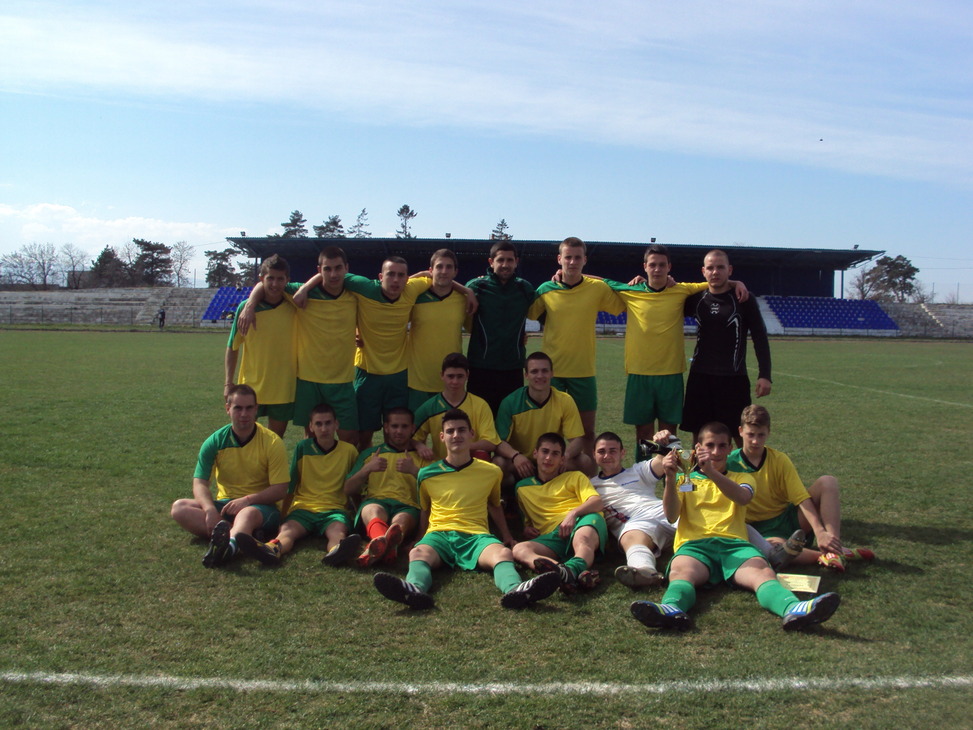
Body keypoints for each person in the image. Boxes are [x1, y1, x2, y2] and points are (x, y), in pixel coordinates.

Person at [629, 421, 841, 631]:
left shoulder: (742, 477)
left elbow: (742, 497)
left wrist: (711, 472)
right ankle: (671, 608)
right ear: (698, 448)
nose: (716, 452)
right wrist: (670, 477)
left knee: (763, 573)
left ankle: (794, 608)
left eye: (722, 446)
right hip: (694, 546)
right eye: (710, 445)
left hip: (735, 546)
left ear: (731, 449)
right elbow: (671, 515)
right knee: (680, 573)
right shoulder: (685, 478)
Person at [373, 409, 561, 610]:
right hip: (439, 535)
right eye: (450, 431)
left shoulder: (491, 471)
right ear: (442, 437)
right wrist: (419, 538)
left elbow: (494, 504)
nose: (456, 435)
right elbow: (425, 509)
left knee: (503, 554)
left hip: (476, 536)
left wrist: (506, 535)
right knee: (418, 553)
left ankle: (517, 590)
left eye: (461, 430)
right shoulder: (426, 474)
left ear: (471, 434)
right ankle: (414, 590)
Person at [601, 244, 746, 442]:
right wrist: (565, 274)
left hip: (670, 374)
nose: (657, 269)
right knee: (643, 433)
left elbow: (713, 282)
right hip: (639, 373)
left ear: (669, 267)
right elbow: (598, 281)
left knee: (669, 433)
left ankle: (667, 464)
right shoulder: (630, 290)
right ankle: (645, 463)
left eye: (662, 265)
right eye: (653, 265)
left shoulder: (681, 290)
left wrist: (736, 282)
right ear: (645, 266)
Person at [728, 405, 875, 572]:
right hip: (760, 530)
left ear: (768, 432)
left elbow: (801, 497)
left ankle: (833, 544)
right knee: (778, 551)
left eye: (761, 435)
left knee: (828, 482)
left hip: (788, 518)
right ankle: (829, 555)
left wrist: (820, 531)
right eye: (751, 434)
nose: (755, 441)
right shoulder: (729, 463)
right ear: (740, 431)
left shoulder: (779, 459)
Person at [237, 246, 359, 444]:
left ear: (347, 268)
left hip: (342, 378)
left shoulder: (355, 293)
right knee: (311, 437)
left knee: (349, 437)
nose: (333, 274)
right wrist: (250, 304)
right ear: (319, 270)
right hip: (308, 379)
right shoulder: (302, 294)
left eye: (338, 268)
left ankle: (347, 467)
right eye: (327, 269)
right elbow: (266, 282)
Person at [170, 384, 289, 568]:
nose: (244, 414)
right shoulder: (215, 441)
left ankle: (229, 548)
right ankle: (244, 537)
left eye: (249, 408)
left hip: (262, 508)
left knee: (246, 513)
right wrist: (210, 511)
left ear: (256, 409)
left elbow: (280, 489)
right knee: (179, 508)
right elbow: (200, 483)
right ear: (228, 409)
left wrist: (248, 500)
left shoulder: (272, 442)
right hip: (226, 506)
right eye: (238, 408)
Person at [527, 237, 625, 455]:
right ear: (559, 259)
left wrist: (595, 277)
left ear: (584, 260)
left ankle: (588, 473)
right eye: (568, 257)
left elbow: (624, 302)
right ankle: (549, 473)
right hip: (552, 373)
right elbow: (526, 312)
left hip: (583, 372)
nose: (572, 262)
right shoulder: (545, 289)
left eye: (577, 258)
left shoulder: (597, 288)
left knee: (587, 433)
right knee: (550, 434)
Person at [235, 403, 362, 567]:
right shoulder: (303, 448)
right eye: (318, 424)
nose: (324, 428)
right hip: (303, 508)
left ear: (336, 424)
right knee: (287, 531)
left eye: (328, 423)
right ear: (311, 427)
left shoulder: (349, 451)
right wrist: (283, 515)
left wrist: (357, 514)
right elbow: (291, 484)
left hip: (334, 510)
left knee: (337, 532)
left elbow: (354, 485)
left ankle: (336, 552)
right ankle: (271, 549)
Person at [682, 250, 772, 445]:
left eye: (720, 267)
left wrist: (765, 374)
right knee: (700, 437)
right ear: (703, 271)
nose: (715, 272)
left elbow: (759, 337)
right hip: (700, 377)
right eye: (710, 268)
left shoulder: (743, 299)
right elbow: (665, 293)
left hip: (734, 379)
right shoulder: (695, 299)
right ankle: (698, 467)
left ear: (729, 270)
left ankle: (741, 467)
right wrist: (643, 282)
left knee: (740, 436)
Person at [512, 433, 607, 593]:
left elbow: (597, 502)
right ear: (535, 453)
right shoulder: (522, 487)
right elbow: (527, 520)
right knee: (519, 549)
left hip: (582, 520)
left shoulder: (575, 476)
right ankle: (563, 572)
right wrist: (526, 529)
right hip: (553, 536)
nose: (548, 458)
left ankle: (571, 569)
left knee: (582, 539)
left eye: (555, 454)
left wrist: (573, 514)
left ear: (562, 459)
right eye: (545, 451)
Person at [344, 407, 429, 568]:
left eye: (404, 426)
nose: (399, 431)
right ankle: (387, 546)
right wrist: (367, 469)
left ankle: (377, 546)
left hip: (408, 507)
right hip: (377, 501)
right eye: (394, 426)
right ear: (386, 428)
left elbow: (437, 490)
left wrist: (415, 471)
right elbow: (348, 489)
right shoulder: (370, 454)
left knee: (400, 520)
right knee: (373, 509)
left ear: (412, 428)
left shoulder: (423, 457)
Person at [590, 431, 676, 588]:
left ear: (623, 453)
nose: (607, 456)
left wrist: (666, 439)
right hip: (636, 524)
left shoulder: (638, 470)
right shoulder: (590, 485)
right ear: (594, 455)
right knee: (629, 538)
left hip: (662, 511)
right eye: (601, 451)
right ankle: (645, 572)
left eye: (613, 451)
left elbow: (665, 458)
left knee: (699, 525)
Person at [225, 254, 296, 437]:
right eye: (270, 278)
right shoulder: (245, 309)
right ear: (261, 278)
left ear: (287, 280)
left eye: (280, 279)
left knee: (274, 441)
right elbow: (233, 347)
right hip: (251, 388)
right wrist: (228, 383)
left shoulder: (294, 306)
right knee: (245, 438)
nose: (275, 284)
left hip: (283, 388)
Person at [493, 351, 591, 481]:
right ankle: (509, 491)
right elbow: (499, 442)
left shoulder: (565, 400)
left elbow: (577, 440)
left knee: (584, 461)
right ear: (526, 375)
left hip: (552, 460)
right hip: (523, 462)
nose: (540, 376)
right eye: (534, 371)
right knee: (498, 463)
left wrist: (564, 456)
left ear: (552, 373)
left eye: (545, 371)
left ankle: (574, 490)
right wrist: (515, 456)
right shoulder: (510, 402)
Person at [466, 241, 537, 415]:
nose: (505, 265)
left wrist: (559, 274)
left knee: (510, 420)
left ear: (516, 262)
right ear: (491, 262)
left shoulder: (525, 288)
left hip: (512, 367)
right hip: (481, 367)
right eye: (500, 260)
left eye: (510, 260)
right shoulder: (476, 287)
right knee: (479, 419)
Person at [406, 249, 469, 412]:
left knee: (450, 428)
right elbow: (394, 291)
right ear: (431, 270)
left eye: (449, 267)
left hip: (451, 382)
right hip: (417, 381)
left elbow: (477, 330)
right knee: (415, 427)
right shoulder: (416, 296)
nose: (444, 271)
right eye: (439, 266)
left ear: (455, 272)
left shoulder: (463, 300)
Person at [413, 352, 500, 462]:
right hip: (441, 466)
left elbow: (491, 442)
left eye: (460, 376)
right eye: (450, 376)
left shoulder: (480, 405)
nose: (455, 381)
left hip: (472, 465)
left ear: (467, 375)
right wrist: (419, 445)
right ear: (442, 375)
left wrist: (461, 446)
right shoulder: (429, 407)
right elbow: (410, 437)